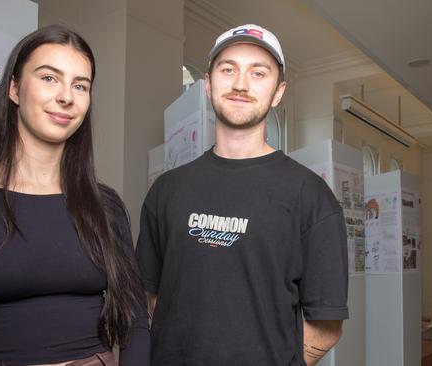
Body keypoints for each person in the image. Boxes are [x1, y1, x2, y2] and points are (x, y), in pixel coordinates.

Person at [0, 25, 149, 366]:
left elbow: (135, 323)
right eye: (48, 78)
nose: (66, 97)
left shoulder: (106, 205)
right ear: (14, 88)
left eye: (80, 85)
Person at [136, 24, 348, 365]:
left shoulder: (311, 195)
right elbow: (153, 296)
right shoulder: (167, 190)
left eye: (258, 73)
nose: (241, 84)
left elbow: (326, 323)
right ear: (208, 84)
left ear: (278, 92)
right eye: (228, 69)